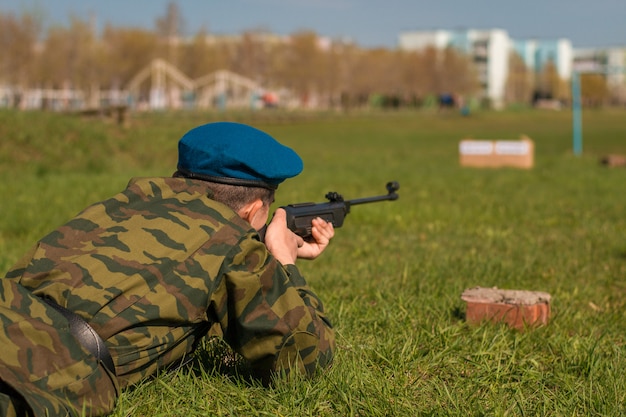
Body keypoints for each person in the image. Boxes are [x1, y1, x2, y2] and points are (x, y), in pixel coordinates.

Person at [0, 122, 336, 417]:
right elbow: (304, 359)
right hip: (39, 369)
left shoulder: (127, 201)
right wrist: (284, 262)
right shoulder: (232, 240)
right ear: (252, 211)